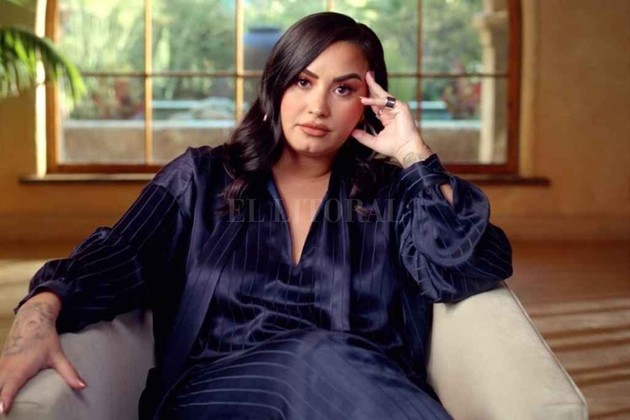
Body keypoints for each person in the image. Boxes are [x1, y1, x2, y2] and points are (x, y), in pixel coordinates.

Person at [0, 12, 512, 420]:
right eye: (303, 81)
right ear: (275, 86)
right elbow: (115, 257)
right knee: (311, 356)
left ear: (369, 103)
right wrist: (36, 313)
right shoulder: (200, 179)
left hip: (360, 398)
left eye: (343, 89)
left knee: (326, 358)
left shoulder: (394, 196)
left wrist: (415, 157)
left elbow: (461, 269)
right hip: (218, 397)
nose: (318, 107)